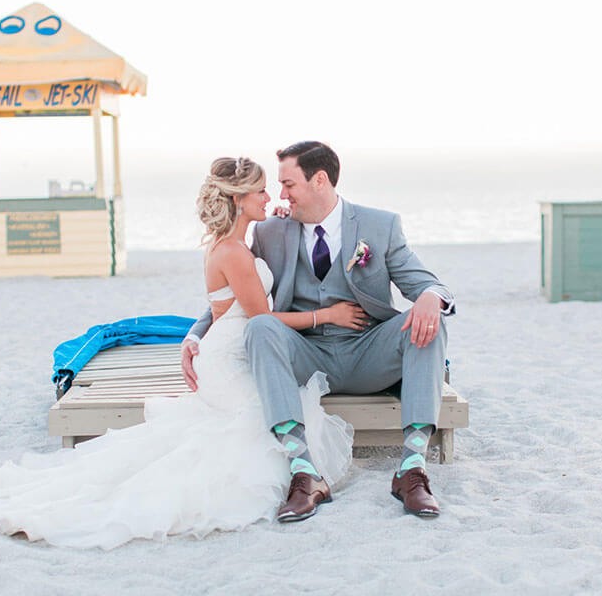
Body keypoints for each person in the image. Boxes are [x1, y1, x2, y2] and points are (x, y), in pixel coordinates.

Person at [0, 157, 353, 549]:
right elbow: (261, 318)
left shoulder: (230, 246)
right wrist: (327, 315)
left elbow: (227, 310)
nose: (269, 198)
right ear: (238, 199)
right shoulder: (232, 252)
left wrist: (193, 337)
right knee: (259, 428)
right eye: (261, 191)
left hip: (226, 352)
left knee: (258, 421)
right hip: (228, 362)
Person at [183, 141, 454, 521]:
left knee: (428, 321)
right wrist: (196, 334)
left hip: (367, 353)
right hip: (305, 356)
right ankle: (304, 472)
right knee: (261, 326)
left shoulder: (380, 226)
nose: (280, 195)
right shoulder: (270, 232)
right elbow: (237, 299)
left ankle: (411, 469)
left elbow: (426, 281)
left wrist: (430, 296)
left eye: (288, 184)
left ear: (320, 180)